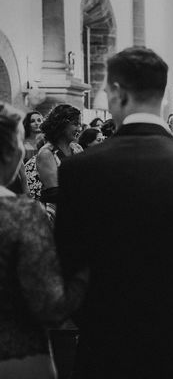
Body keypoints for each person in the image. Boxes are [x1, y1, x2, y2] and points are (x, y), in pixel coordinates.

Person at [54, 46, 173, 378]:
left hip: (105, 345)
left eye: (107, 91)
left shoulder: (81, 168)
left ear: (120, 92)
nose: (108, 99)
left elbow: (69, 261)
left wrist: (96, 324)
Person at [0, 103, 88, 379]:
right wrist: (86, 273)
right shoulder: (20, 214)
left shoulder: (77, 150)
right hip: (15, 353)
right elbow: (49, 306)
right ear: (11, 151)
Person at [32, 104, 83, 218]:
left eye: (80, 124)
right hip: (56, 213)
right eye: (75, 124)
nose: (79, 129)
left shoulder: (77, 148)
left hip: (76, 207)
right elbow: (55, 193)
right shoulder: (47, 153)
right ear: (61, 125)